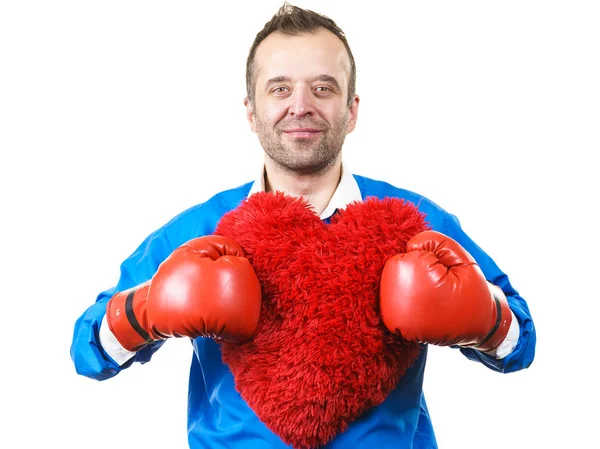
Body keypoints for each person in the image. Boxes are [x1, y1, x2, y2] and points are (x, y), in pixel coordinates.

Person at [70, 3, 536, 448]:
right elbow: (87, 352)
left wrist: (487, 320)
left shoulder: (412, 220)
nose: (301, 105)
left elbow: (522, 344)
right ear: (251, 112)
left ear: (351, 110)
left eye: (323, 88)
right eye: (279, 88)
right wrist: (145, 312)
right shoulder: (203, 229)